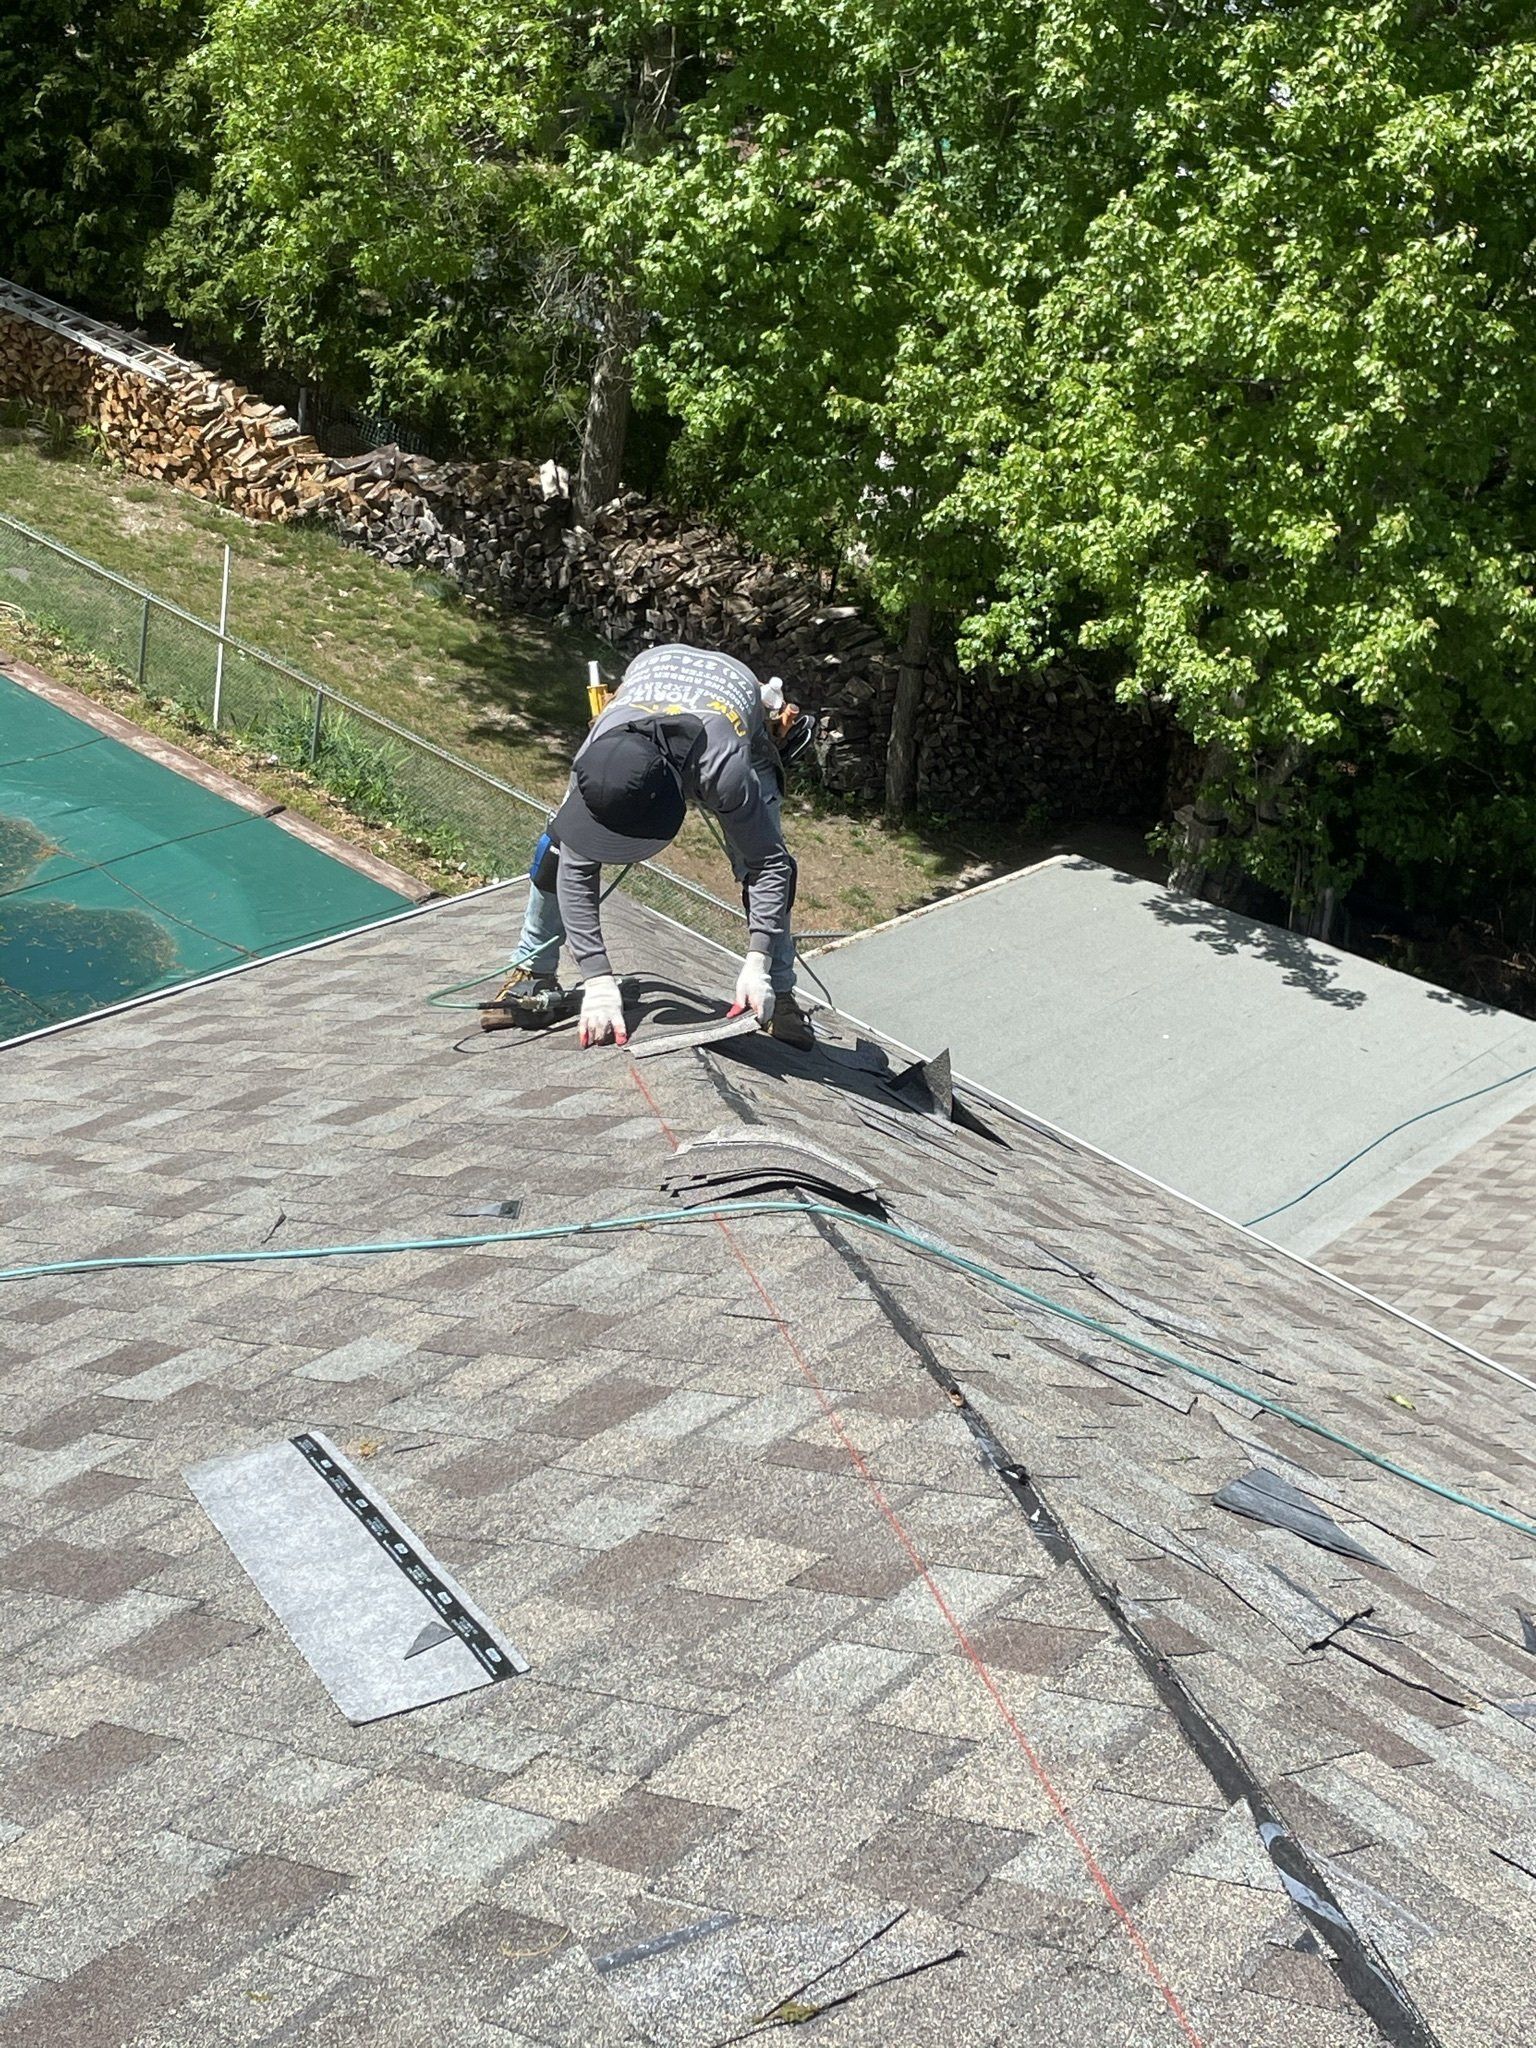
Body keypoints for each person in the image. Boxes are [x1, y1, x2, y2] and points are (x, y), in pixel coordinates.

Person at [503, 643, 814, 1049]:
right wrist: (597, 978)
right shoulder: (595, 757)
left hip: (733, 714)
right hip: (651, 677)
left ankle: (779, 990)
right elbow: (575, 868)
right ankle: (533, 968)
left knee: (763, 861)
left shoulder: (725, 768)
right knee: (556, 848)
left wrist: (757, 960)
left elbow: (770, 866)